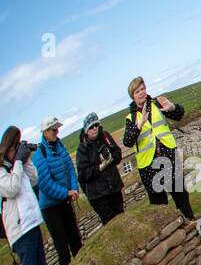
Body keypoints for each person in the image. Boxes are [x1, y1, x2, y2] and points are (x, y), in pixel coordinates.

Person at [121, 76, 193, 220]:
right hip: (148, 165)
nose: (141, 92)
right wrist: (139, 126)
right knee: (159, 204)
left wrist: (173, 107)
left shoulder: (157, 104)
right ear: (132, 96)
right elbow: (127, 142)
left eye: (143, 89)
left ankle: (191, 223)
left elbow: (179, 115)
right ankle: (172, 236)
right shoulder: (131, 118)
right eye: (137, 91)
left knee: (181, 195)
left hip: (168, 155)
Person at [0, 125, 52, 265]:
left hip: (31, 223)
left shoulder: (17, 165)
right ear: (7, 148)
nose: (16, 151)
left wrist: (26, 158)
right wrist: (19, 162)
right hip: (20, 232)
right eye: (14, 147)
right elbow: (12, 189)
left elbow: (34, 179)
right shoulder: (2, 171)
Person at [30, 116, 82, 265]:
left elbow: (70, 169)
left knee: (75, 239)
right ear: (45, 132)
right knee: (62, 247)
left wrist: (74, 189)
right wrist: (66, 193)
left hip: (64, 201)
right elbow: (45, 184)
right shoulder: (40, 155)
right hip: (50, 208)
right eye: (53, 129)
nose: (57, 132)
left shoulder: (60, 147)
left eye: (57, 128)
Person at [75, 112, 125, 226]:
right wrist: (99, 167)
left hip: (114, 188)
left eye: (96, 125)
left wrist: (111, 158)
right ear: (86, 130)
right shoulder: (82, 148)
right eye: (91, 127)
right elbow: (82, 175)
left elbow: (117, 153)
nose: (94, 129)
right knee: (111, 225)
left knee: (122, 218)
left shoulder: (105, 136)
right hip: (99, 195)